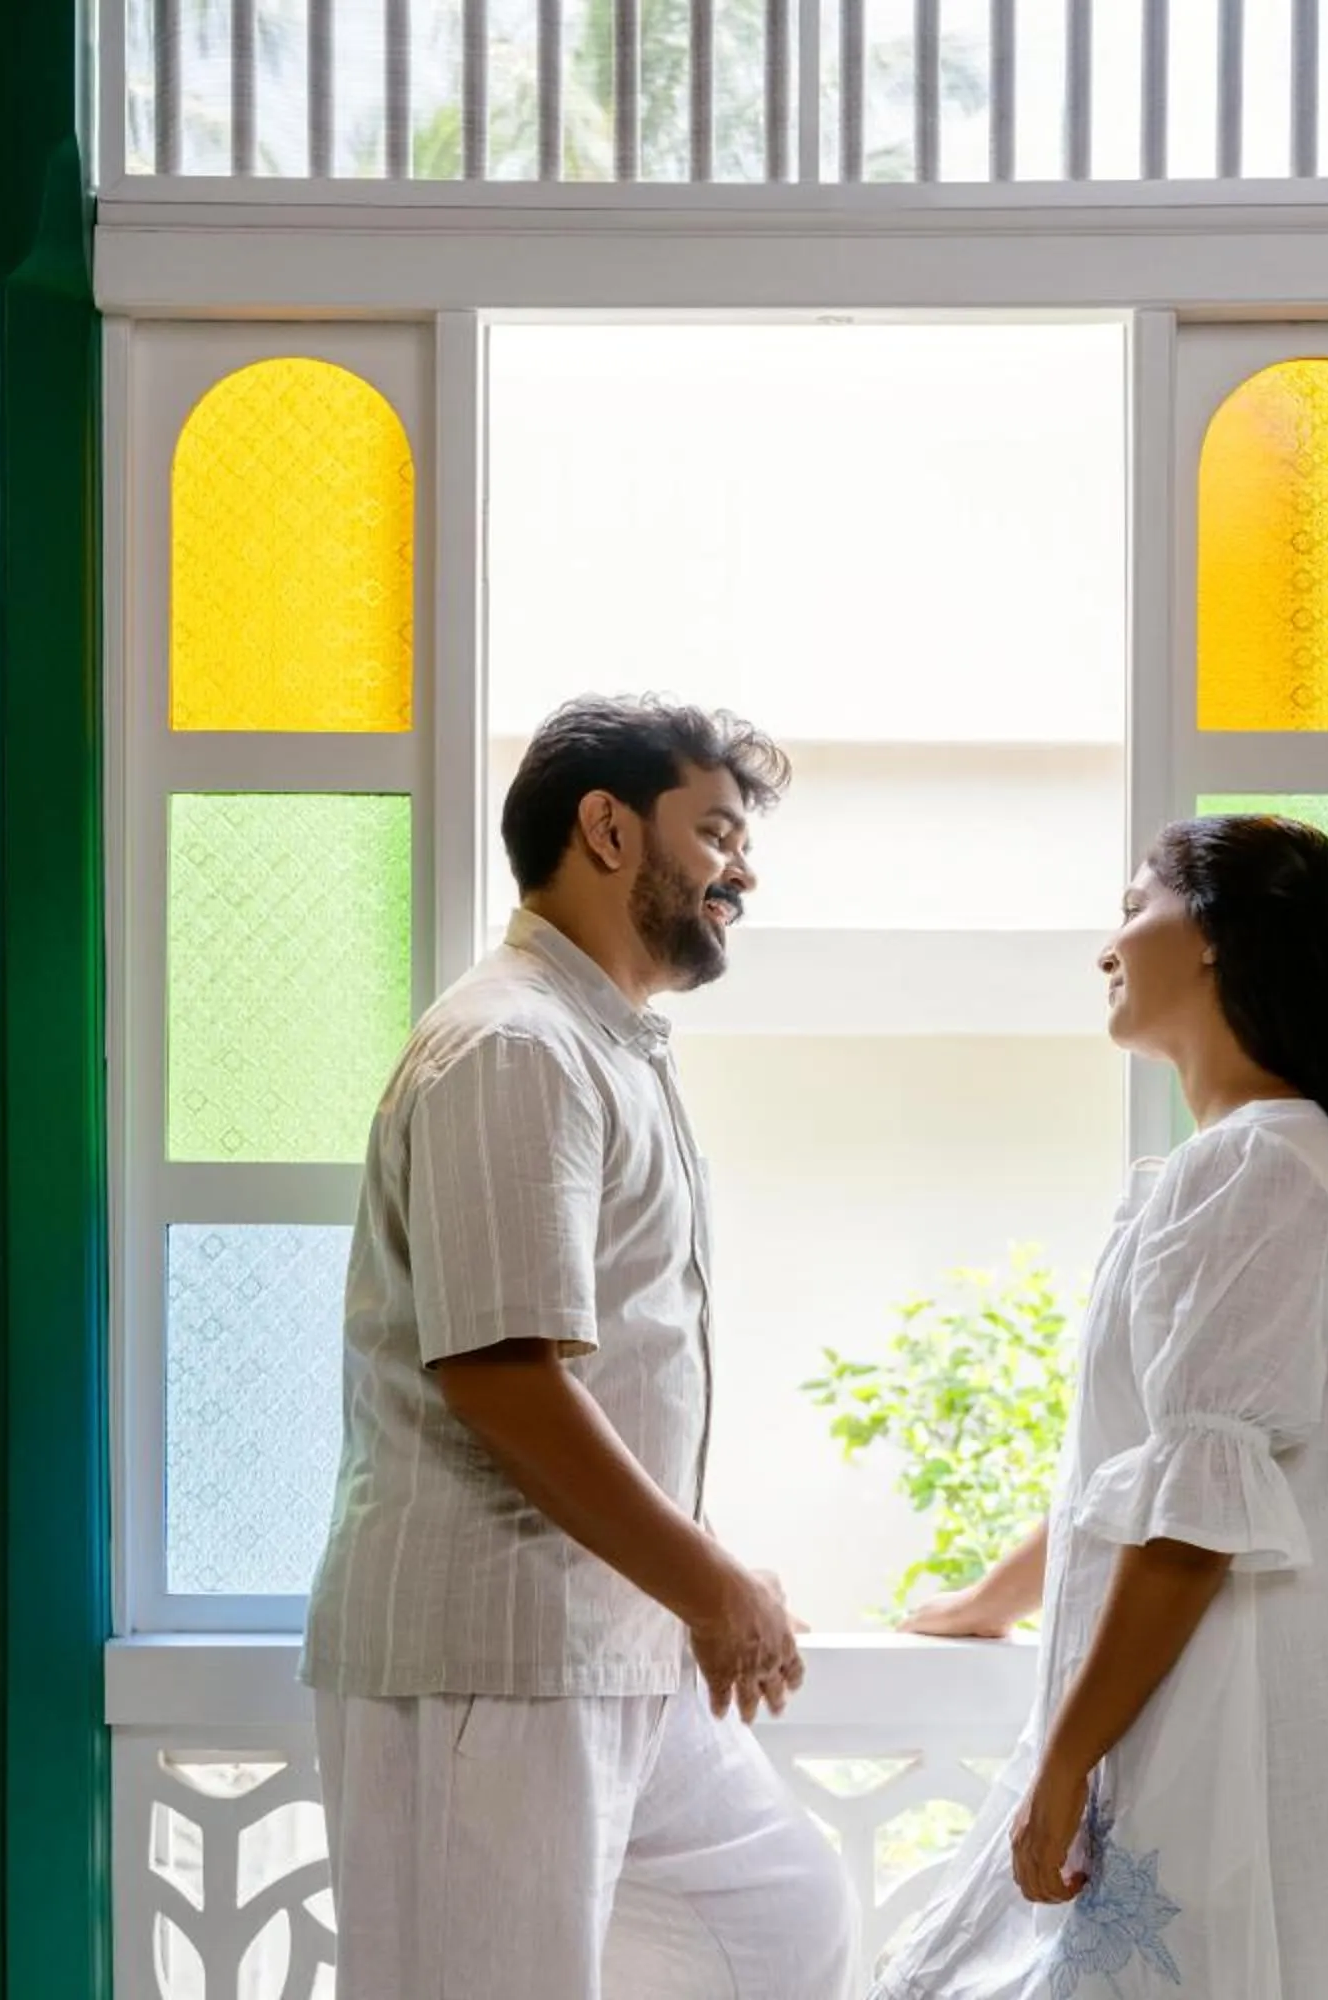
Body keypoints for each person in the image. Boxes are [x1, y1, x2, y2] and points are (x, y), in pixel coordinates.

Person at [874, 813, 1328, 2000]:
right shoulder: (1257, 1158)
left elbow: (1197, 1517)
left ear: (1214, 935)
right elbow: (1155, 1466)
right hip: (1202, 1714)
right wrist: (989, 1597)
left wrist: (1066, 1757)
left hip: (1211, 1725)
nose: (1106, 946)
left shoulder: (1262, 1162)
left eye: (1132, 907)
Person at [303, 696, 860, 2000]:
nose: (744, 870)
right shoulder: (516, 1046)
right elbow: (501, 1375)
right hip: (489, 1663)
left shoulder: (595, 1045)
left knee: (778, 1914)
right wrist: (716, 1585)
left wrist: (691, 1585)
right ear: (607, 829)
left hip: (613, 1646)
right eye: (716, 831)